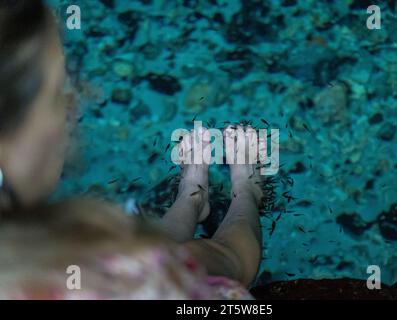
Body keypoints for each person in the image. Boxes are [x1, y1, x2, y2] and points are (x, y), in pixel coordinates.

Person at [0, 0, 263, 299]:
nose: (91, 95)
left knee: (153, 252)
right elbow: (238, 262)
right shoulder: (121, 283)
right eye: (61, 92)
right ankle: (247, 193)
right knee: (209, 259)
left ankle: (192, 198)